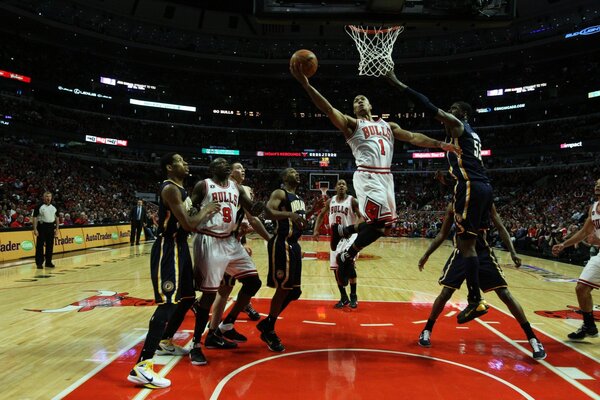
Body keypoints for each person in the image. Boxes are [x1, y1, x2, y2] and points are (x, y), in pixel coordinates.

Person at [290, 63, 460, 294]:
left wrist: (440, 144)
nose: (359, 102)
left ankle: (344, 233)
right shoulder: (353, 124)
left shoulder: (387, 126)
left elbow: (413, 137)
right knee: (379, 222)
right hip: (367, 175)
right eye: (355, 101)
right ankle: (347, 253)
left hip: (386, 177)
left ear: (370, 105)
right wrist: (306, 84)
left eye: (362, 99)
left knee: (385, 226)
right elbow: (328, 109)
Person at [384, 69, 493, 324]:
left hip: (471, 186)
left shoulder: (458, 125)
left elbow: (427, 105)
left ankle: (475, 299)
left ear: (463, 113)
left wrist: (396, 82)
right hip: (481, 186)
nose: (449, 110)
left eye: (454, 108)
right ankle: (476, 293)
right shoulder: (470, 135)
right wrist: (449, 178)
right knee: (471, 242)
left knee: (465, 245)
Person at [127, 153, 220, 389]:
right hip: (169, 248)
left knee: (188, 296)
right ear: (170, 167)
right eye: (180, 160)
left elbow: (187, 220)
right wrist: (206, 210)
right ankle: (142, 365)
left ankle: (165, 341)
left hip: (180, 247)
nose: (186, 163)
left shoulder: (182, 190)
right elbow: (189, 224)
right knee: (167, 304)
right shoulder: (170, 189)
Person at [418, 202, 547, 360]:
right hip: (461, 253)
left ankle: (533, 338)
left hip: (483, 253)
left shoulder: (485, 202)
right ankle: (427, 330)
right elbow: (442, 234)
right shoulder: (453, 205)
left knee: (504, 293)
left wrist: (513, 252)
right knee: (445, 293)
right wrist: (427, 254)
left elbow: (500, 227)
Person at [187, 158, 264, 365]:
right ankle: (196, 344)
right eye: (221, 163)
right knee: (209, 295)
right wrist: (199, 212)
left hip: (231, 241)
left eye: (228, 164)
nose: (226, 165)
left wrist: (263, 206)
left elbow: (253, 210)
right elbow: (191, 210)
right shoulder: (203, 185)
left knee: (254, 282)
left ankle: (225, 324)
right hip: (209, 239)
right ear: (212, 169)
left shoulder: (236, 187)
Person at [204, 162, 272, 350]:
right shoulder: (226, 188)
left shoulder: (241, 189)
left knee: (226, 290)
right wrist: (270, 239)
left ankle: (221, 328)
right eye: (239, 168)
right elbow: (252, 218)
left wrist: (243, 240)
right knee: (221, 291)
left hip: (233, 242)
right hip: (219, 243)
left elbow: (244, 219)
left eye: (244, 169)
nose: (243, 171)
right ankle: (214, 331)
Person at [258, 168, 323, 352]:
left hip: (294, 245)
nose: (297, 174)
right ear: (284, 176)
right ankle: (269, 329)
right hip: (282, 243)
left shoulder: (299, 199)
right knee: (283, 287)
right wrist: (289, 215)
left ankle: (267, 324)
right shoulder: (280, 193)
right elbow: (268, 212)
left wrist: (312, 211)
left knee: (294, 292)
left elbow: (299, 221)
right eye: (293, 172)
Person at [552, 178, 600, 340]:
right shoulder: (593, 208)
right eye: (596, 184)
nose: (598, 186)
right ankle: (589, 325)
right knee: (581, 288)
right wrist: (564, 244)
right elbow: (585, 232)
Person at [313, 179, 364, 308]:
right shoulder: (331, 201)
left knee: (347, 262)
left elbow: (361, 216)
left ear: (346, 188)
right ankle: (343, 297)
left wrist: (354, 229)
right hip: (336, 238)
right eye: (339, 184)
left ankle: (353, 295)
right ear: (335, 187)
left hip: (349, 237)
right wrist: (316, 230)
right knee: (336, 270)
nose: (341, 186)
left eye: (344, 184)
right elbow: (320, 215)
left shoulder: (352, 201)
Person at [32, 192, 59, 269]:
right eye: (46, 196)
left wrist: (57, 229)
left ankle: (48, 262)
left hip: (51, 226)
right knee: (40, 245)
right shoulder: (39, 206)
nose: (48, 198)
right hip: (42, 226)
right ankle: (39, 263)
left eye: (49, 196)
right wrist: (35, 229)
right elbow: (35, 218)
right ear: (43, 197)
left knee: (50, 245)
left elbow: (57, 218)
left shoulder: (54, 206)